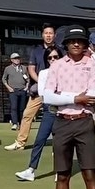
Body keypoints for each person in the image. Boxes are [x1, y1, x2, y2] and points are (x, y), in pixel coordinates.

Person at [42, 25, 95, 189]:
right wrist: (75, 98)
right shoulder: (57, 65)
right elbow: (48, 96)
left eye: (80, 41)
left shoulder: (92, 65)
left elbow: (93, 96)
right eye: (72, 41)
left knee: (89, 174)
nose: (76, 44)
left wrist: (66, 97)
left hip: (84, 123)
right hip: (62, 122)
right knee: (63, 175)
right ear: (66, 44)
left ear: (86, 44)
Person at [6, 24, 57, 150]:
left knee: (57, 117)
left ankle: (59, 145)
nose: (48, 35)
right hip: (39, 89)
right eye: (46, 33)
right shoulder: (36, 51)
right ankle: (20, 142)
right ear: (42, 35)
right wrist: (41, 82)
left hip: (56, 90)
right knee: (27, 114)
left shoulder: (60, 50)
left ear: (54, 35)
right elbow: (31, 68)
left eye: (51, 33)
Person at [15, 46, 62, 181]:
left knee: (59, 144)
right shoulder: (44, 73)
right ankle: (31, 170)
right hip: (49, 110)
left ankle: (60, 170)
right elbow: (43, 93)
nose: (53, 60)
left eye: (55, 57)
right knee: (40, 140)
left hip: (62, 111)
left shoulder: (66, 72)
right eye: (50, 58)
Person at [2, 53, 29, 131]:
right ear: (11, 60)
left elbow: (27, 78)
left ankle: (21, 123)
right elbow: (4, 79)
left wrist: (26, 87)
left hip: (22, 90)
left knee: (21, 108)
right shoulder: (8, 69)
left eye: (18, 58)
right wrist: (8, 87)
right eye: (15, 58)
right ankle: (14, 123)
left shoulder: (24, 68)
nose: (17, 60)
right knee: (14, 107)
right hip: (13, 91)